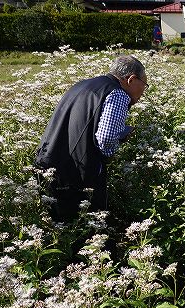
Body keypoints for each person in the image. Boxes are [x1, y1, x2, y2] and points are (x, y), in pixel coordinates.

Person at [34, 55, 148, 222]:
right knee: (87, 229)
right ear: (131, 79)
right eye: (144, 85)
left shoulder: (83, 84)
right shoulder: (117, 94)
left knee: (59, 226)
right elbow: (106, 140)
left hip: (48, 163)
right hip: (77, 173)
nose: (143, 92)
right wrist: (118, 141)